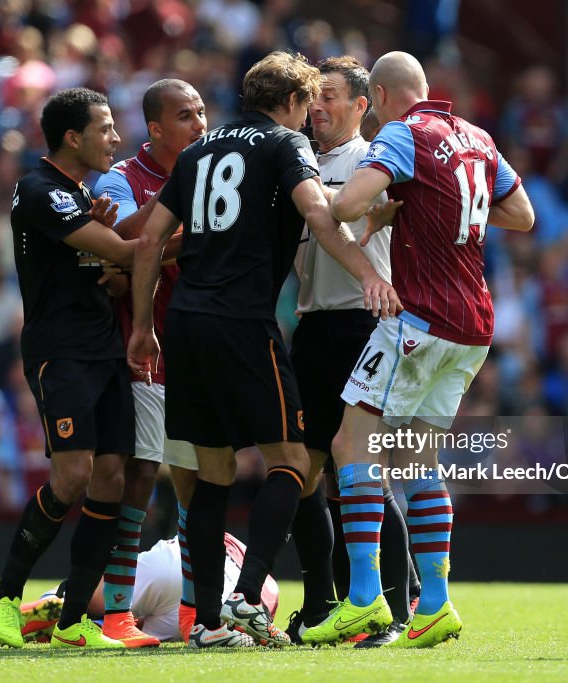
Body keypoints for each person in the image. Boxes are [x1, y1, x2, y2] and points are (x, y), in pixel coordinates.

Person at [128, 51, 400, 649]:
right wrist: (367, 272)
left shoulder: (199, 151)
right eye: (309, 104)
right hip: (244, 323)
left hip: (185, 325)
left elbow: (149, 238)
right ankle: (247, 598)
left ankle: (206, 626)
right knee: (293, 463)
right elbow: (319, 216)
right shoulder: (285, 144)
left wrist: (142, 326)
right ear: (296, 102)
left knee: (211, 474)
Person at [301, 51, 534, 648]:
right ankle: (433, 603)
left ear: (376, 96)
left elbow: (348, 206)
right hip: (474, 324)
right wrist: (446, 210)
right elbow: (522, 214)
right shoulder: (478, 137)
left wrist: (382, 211)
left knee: (350, 443)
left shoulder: (405, 134)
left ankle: (362, 600)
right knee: (416, 462)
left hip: (420, 318)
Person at [0, 87, 139, 651]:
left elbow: (114, 274)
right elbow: (122, 253)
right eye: (105, 128)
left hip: (106, 350)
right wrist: (192, 235)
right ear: (73, 137)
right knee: (71, 475)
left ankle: (74, 622)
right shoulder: (38, 190)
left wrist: (120, 259)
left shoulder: (81, 194)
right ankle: (2, 601)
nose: (116, 139)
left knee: (111, 477)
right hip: (61, 352)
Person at [285, 55, 416, 648]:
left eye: (330, 95)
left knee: (358, 468)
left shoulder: (374, 160)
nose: (318, 106)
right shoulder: (298, 161)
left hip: (365, 322)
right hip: (313, 324)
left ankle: (397, 602)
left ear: (363, 105)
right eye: (313, 96)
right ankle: (331, 602)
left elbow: (346, 211)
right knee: (308, 471)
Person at [90, 78, 208, 647]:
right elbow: (117, 246)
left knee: (201, 478)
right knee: (140, 476)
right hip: (145, 345)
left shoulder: (213, 169)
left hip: (203, 342)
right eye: (185, 116)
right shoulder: (120, 179)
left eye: (203, 112)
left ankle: (192, 612)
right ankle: (116, 614)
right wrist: (181, 227)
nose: (199, 125)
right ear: (155, 128)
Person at [0, 533, 279, 645]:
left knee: (104, 599)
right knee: (136, 629)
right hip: (207, 614)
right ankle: (92, 624)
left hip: (178, 567)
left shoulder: (230, 540)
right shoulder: (270, 586)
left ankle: (57, 603)